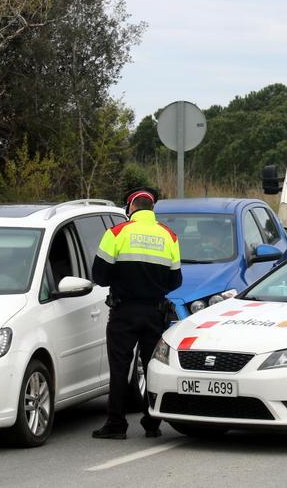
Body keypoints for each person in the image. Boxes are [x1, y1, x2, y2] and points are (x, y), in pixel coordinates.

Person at [91, 188, 182, 440]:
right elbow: (176, 281)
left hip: (123, 312)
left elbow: (99, 276)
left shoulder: (116, 233)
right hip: (155, 312)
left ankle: (116, 424)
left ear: (130, 208)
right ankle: (152, 424)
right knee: (151, 367)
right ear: (152, 209)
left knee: (120, 368)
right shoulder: (169, 236)